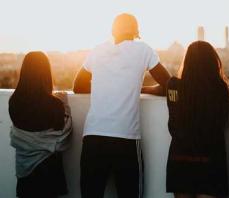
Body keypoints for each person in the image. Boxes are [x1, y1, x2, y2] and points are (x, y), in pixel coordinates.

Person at [73, 13, 171, 198]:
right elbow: (168, 84)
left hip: (93, 136)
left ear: (112, 31)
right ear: (136, 33)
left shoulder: (98, 50)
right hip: (125, 138)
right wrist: (139, 88)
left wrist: (106, 84)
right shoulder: (143, 50)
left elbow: (78, 86)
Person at [166, 41, 229, 198]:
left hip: (180, 156)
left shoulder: (173, 86)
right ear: (212, 62)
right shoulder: (220, 89)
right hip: (210, 158)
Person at [9, 51, 72, 198]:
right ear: (46, 73)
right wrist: (65, 105)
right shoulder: (55, 105)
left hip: (24, 174)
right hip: (49, 173)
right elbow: (62, 136)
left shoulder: (14, 102)